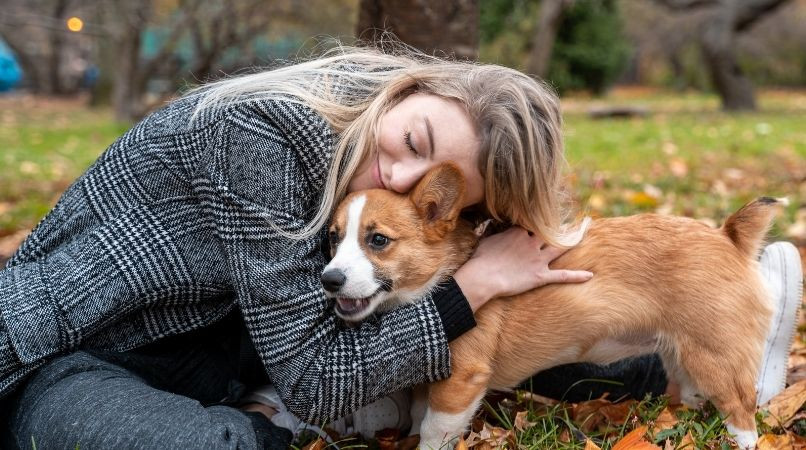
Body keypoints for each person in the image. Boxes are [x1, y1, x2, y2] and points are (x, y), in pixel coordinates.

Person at [0, 44, 800, 449]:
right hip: (72, 358)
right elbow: (317, 374)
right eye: (415, 136)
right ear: (409, 86)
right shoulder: (258, 134)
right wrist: (469, 289)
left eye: (447, 186)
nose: (401, 170)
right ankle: (263, 422)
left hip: (221, 347)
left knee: (504, 347)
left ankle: (731, 316)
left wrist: (496, 277)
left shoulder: (363, 178)